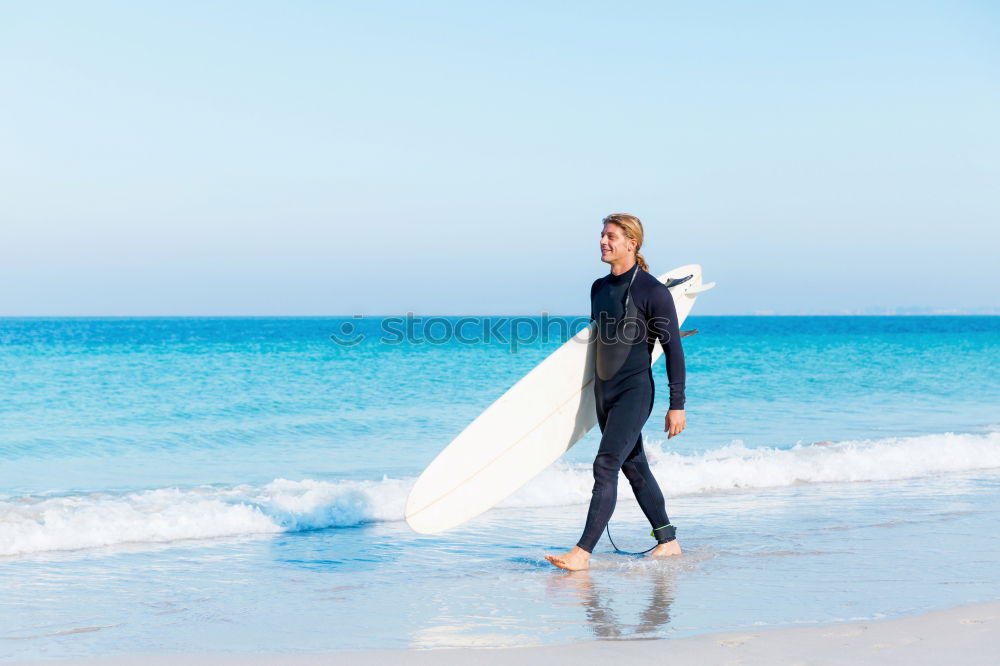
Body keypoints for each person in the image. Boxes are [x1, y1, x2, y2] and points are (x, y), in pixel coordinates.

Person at [545, 213, 686, 571]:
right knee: (634, 466)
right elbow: (597, 343)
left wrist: (677, 405)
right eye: (602, 235)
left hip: (634, 391)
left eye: (611, 236)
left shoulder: (652, 291)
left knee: (605, 464)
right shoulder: (598, 288)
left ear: (631, 243)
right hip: (603, 392)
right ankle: (667, 540)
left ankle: (582, 553)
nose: (603, 242)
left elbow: (673, 349)